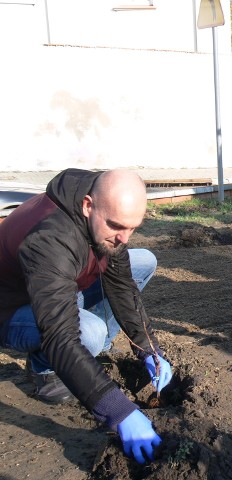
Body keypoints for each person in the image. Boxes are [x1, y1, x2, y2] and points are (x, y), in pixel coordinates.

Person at [0, 168, 172, 465]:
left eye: (133, 228)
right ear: (88, 206)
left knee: (143, 261)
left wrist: (149, 349)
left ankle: (88, 356)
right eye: (117, 226)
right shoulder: (50, 240)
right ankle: (46, 372)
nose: (124, 237)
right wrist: (119, 411)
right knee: (87, 334)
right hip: (11, 308)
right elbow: (60, 337)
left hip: (58, 286)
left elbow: (120, 284)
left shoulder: (104, 209)